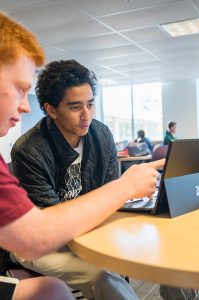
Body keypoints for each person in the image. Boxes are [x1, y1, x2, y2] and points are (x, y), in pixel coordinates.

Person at [0, 11, 163, 300]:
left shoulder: (100, 134)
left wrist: (122, 196)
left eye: (90, 104)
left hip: (81, 231)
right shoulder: (28, 149)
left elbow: (109, 199)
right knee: (101, 274)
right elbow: (40, 233)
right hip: (46, 243)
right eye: (19, 90)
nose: (86, 115)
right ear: (51, 110)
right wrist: (124, 187)